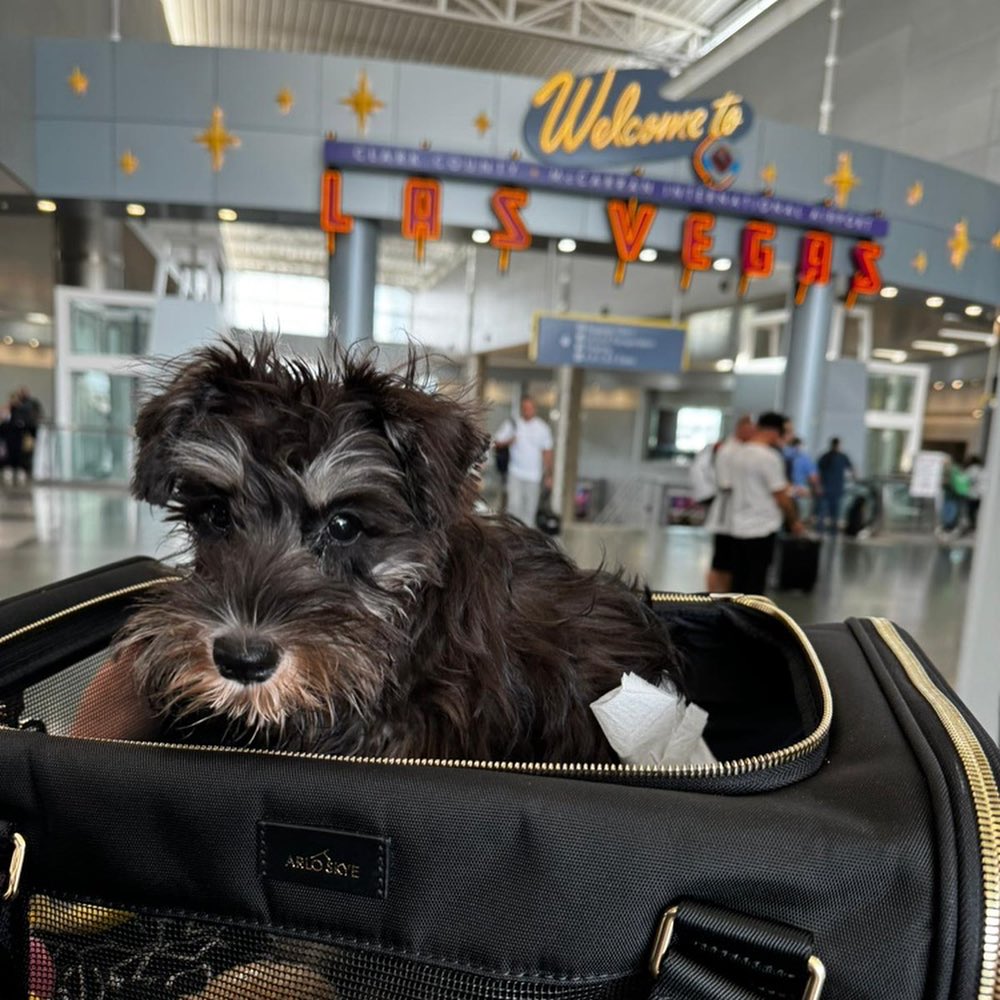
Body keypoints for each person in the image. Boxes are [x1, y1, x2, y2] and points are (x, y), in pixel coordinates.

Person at [728, 411, 803, 595]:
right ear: (773, 431)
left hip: (737, 525)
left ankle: (732, 618)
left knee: (738, 582)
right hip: (762, 527)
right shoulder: (769, 457)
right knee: (756, 583)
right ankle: (751, 621)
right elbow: (780, 495)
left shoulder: (738, 453)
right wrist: (793, 520)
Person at [704, 414, 755, 593]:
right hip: (725, 517)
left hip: (736, 517)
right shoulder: (728, 451)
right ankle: (715, 595)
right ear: (741, 428)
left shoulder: (743, 450)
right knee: (720, 563)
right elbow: (726, 483)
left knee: (729, 564)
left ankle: (725, 595)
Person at [493, 396, 554, 527]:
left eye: (530, 408)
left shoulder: (542, 428)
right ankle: (512, 536)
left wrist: (549, 475)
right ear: (521, 409)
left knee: (529, 510)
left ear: (535, 409)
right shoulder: (513, 424)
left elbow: (547, 452)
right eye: (525, 408)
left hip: (534, 476)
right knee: (514, 507)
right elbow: (496, 443)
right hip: (515, 473)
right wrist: (510, 441)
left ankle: (525, 540)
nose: (527, 411)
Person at [816, 437, 854, 534]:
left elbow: (851, 469)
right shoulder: (826, 457)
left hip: (836, 488)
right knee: (823, 511)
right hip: (827, 488)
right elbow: (817, 472)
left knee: (834, 512)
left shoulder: (842, 457)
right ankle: (821, 530)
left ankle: (832, 531)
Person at [786, 437, 820, 522]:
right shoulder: (805, 458)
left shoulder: (783, 454)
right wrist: (816, 489)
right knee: (798, 520)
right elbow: (813, 477)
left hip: (783, 491)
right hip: (800, 492)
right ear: (800, 446)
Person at [965, 455, 986, 533]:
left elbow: (967, 479)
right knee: (977, 511)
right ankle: (977, 525)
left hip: (973, 494)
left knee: (971, 511)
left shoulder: (972, 469)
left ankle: (973, 526)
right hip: (980, 494)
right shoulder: (982, 469)